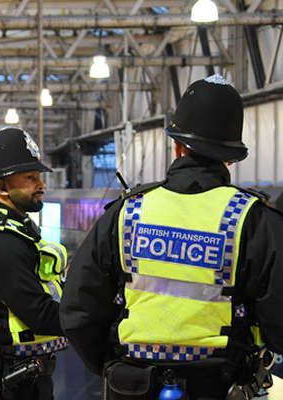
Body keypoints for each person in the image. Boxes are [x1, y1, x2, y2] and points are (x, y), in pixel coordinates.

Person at [59, 75, 283, 399]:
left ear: (177, 145)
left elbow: (78, 311)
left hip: (133, 385)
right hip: (221, 386)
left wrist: (112, 367)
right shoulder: (254, 221)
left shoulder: (127, 214)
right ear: (231, 157)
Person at [0, 127, 68, 400]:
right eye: (30, 178)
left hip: (24, 373)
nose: (41, 184)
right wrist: (92, 318)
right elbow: (38, 314)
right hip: (13, 380)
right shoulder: (1, 242)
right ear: (1, 186)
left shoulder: (14, 230)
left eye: (39, 176)